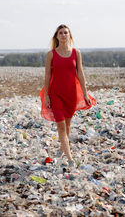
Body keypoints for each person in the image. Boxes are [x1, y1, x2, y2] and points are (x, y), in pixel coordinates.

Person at [39, 24, 96, 166]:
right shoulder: (51, 54)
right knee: (61, 126)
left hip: (70, 94)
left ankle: (62, 148)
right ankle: (70, 158)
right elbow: (47, 75)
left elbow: (80, 73)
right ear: (57, 36)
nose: (63, 35)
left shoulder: (76, 53)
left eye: (66, 33)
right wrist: (46, 95)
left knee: (68, 125)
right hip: (55, 93)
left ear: (69, 36)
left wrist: (85, 93)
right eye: (61, 33)